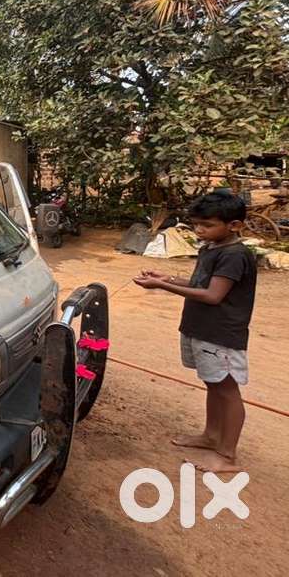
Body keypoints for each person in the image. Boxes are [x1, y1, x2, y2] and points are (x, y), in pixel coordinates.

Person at [133, 190, 257, 473]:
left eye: (207, 225)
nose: (200, 231)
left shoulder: (234, 255)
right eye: (196, 225)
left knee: (226, 388)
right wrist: (168, 277)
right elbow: (202, 283)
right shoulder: (212, 247)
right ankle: (212, 435)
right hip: (202, 329)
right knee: (213, 383)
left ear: (234, 225)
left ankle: (227, 455)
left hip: (221, 334)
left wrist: (162, 287)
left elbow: (213, 296)